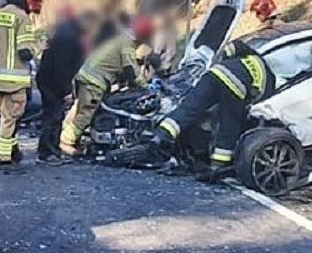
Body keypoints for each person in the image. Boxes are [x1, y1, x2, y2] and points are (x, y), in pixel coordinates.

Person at [149, 39, 276, 179]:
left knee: (189, 108)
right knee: (229, 125)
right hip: (236, 86)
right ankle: (218, 165)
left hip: (215, 73)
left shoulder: (251, 54)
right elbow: (254, 100)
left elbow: (231, 47)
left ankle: (161, 135)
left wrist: (225, 62)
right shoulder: (271, 80)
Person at [59, 14, 156, 157]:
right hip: (95, 81)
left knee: (78, 109)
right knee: (86, 113)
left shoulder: (119, 38)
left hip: (85, 76)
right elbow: (130, 70)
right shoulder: (127, 44)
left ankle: (61, 136)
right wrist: (146, 86)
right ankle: (67, 143)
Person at [0, 0, 44, 167]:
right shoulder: (22, 17)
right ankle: (3, 156)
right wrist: (38, 47)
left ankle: (12, 151)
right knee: (11, 118)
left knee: (4, 117)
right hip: (15, 81)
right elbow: (25, 51)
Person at [35, 6, 84, 164]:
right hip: (52, 82)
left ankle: (52, 150)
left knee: (54, 116)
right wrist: (66, 90)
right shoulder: (70, 38)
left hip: (48, 79)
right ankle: (47, 153)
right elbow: (62, 67)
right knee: (53, 117)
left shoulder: (66, 33)